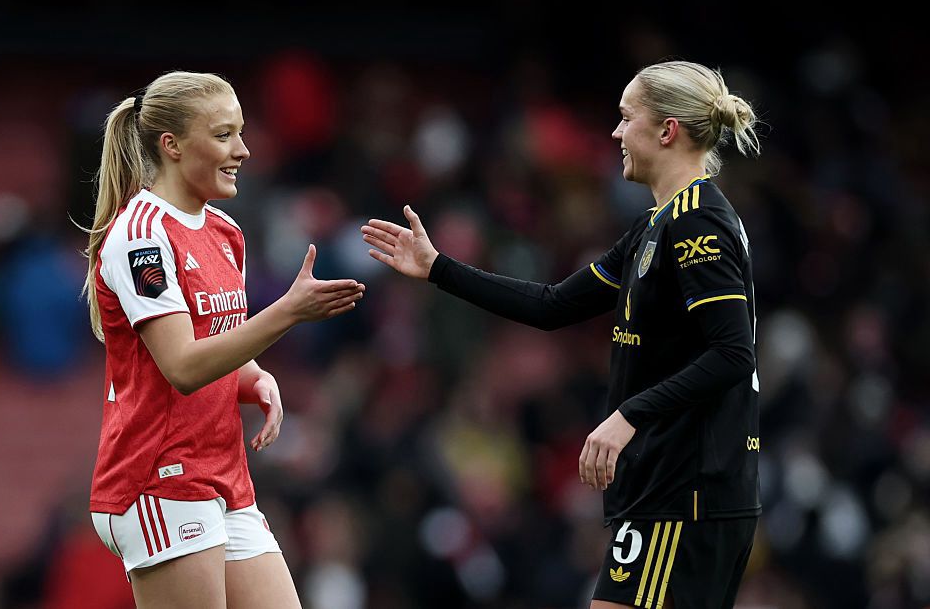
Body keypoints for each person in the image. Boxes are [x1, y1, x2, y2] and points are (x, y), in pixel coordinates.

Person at [362, 60, 762, 609]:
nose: (616, 133)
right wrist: (438, 269)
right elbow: (553, 305)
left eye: (627, 118)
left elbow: (733, 353)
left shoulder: (698, 221)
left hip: (686, 491)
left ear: (667, 130)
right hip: (667, 487)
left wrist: (629, 415)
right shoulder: (655, 225)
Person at [81, 70, 365, 609]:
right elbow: (183, 366)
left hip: (223, 475)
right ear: (172, 145)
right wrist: (288, 312)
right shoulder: (141, 237)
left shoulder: (224, 231)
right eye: (222, 135)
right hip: (159, 478)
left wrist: (255, 378)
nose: (242, 150)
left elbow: (220, 338)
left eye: (241, 132)